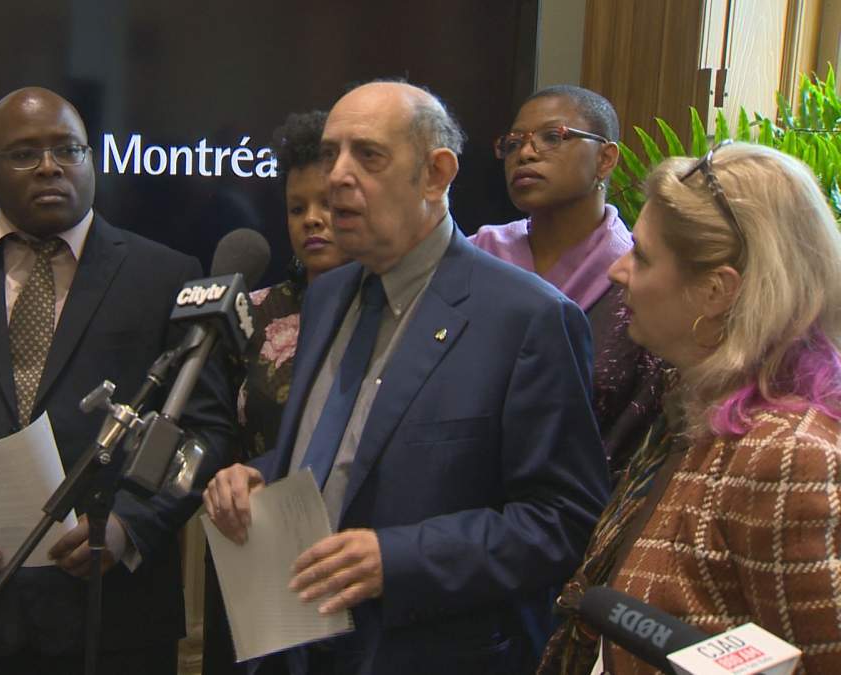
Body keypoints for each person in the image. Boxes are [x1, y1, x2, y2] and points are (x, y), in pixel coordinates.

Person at [203, 80, 609, 675]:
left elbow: (564, 520)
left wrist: (397, 560)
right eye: (331, 153)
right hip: (295, 641)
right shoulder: (329, 295)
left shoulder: (528, 319)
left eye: (366, 156)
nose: (337, 175)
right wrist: (259, 477)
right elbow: (343, 449)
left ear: (435, 174)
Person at [0, 87, 233, 675]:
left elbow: (204, 429)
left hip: (114, 617)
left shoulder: (165, 274)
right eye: (23, 154)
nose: (49, 166)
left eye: (69, 150)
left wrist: (128, 527)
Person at [537, 142, 841, 674]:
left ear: (716, 291)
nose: (618, 271)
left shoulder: (786, 457)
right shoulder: (692, 409)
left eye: (644, 256)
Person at [202, 110, 351, 674]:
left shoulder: (389, 316)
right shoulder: (255, 312)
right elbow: (218, 429)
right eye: (296, 208)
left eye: (328, 205)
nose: (313, 220)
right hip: (254, 550)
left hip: (348, 556)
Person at [472, 85, 664, 476]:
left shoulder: (636, 278)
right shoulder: (479, 256)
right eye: (512, 144)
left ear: (606, 158)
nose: (525, 154)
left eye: (552, 137)